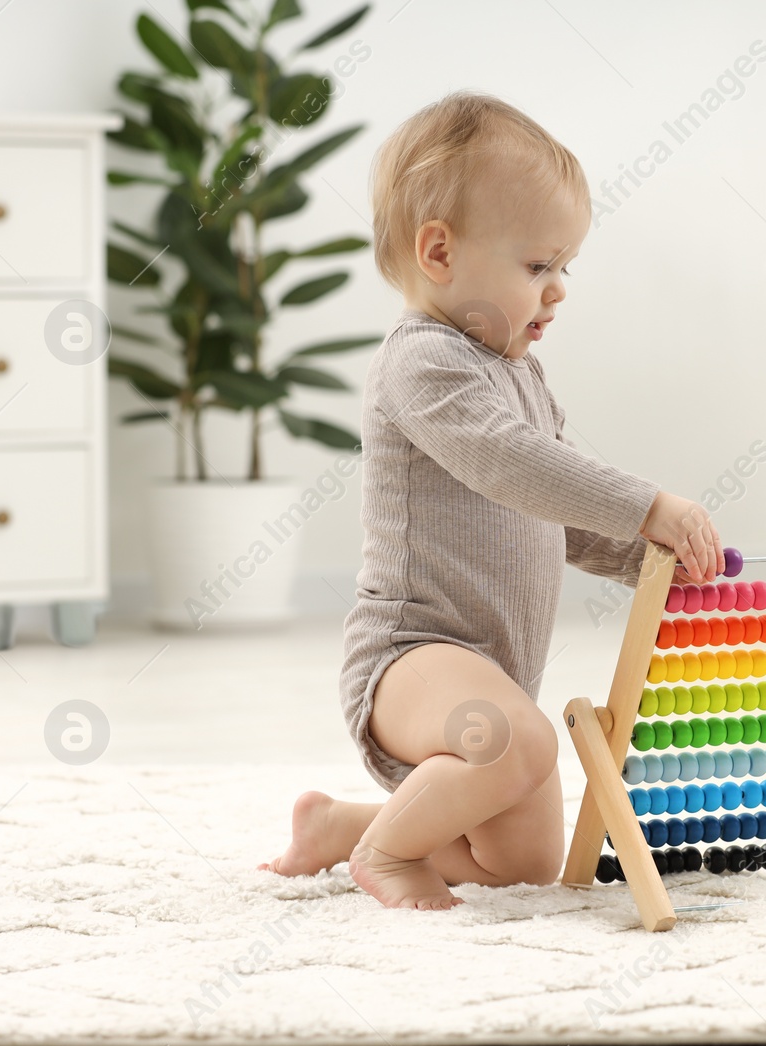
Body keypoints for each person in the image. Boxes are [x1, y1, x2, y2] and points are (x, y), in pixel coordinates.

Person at [258, 89, 722, 909]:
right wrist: (650, 504)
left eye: (565, 268)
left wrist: (646, 560)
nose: (558, 289)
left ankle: (342, 825)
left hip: (491, 670)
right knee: (516, 741)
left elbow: (554, 502)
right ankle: (387, 855)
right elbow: (513, 466)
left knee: (526, 859)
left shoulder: (517, 375)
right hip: (410, 656)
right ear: (438, 253)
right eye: (538, 266)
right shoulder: (423, 364)